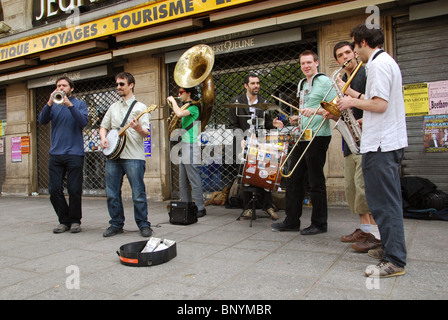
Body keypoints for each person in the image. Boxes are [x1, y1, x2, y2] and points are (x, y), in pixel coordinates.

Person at [337, 24, 408, 277]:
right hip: (383, 141)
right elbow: (383, 106)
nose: (354, 54)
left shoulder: (377, 65)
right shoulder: (385, 62)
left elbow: (379, 104)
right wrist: (363, 118)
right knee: (383, 204)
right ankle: (390, 248)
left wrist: (351, 101)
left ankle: (395, 261)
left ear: (363, 43)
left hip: (381, 145)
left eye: (354, 47)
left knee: (385, 205)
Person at [271, 50, 336, 235]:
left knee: (315, 181)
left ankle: (319, 223)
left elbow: (335, 108)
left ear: (316, 63)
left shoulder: (323, 81)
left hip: (318, 135)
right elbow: (304, 110)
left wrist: (314, 111)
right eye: (302, 63)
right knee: (293, 179)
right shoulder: (301, 83)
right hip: (303, 134)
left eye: (309, 62)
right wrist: (297, 118)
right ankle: (292, 220)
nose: (306, 66)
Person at [330, 41, 381, 252]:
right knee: (352, 189)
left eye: (348, 53)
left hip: (368, 139)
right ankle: (365, 229)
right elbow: (340, 111)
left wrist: (349, 93)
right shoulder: (343, 78)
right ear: (337, 60)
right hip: (350, 141)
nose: (345, 57)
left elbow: (378, 102)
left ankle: (376, 235)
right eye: (340, 55)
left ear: (356, 53)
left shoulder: (367, 73)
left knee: (365, 190)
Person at [99, 72, 152, 237]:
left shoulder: (141, 108)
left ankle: (143, 224)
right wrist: (103, 139)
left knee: (138, 194)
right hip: (113, 157)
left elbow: (146, 134)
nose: (118, 87)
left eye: (122, 84)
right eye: (117, 84)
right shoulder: (113, 107)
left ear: (131, 85)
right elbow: (103, 126)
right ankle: (116, 224)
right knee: (112, 193)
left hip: (134, 157)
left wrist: (137, 128)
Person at [38, 76, 89, 234]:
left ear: (71, 88)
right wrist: (49, 103)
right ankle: (63, 220)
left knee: (74, 190)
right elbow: (42, 120)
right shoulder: (53, 104)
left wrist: (70, 105)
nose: (61, 88)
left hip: (74, 153)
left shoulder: (79, 104)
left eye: (64, 85)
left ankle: (74, 221)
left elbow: (83, 122)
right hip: (56, 154)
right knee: (53, 190)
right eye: (58, 85)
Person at [228, 73, 278, 220]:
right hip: (244, 144)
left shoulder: (264, 102)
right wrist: (241, 139)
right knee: (246, 175)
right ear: (246, 85)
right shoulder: (236, 102)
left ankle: (268, 206)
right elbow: (233, 125)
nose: (256, 86)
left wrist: (273, 124)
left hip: (261, 143)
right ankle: (248, 208)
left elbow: (268, 123)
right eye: (253, 83)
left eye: (257, 83)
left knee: (265, 174)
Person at [167, 86, 206, 217]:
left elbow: (178, 114)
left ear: (189, 93)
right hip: (184, 144)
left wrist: (173, 101)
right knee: (182, 180)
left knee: (193, 178)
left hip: (191, 145)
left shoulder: (193, 108)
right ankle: (186, 206)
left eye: (181, 92)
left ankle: (201, 207)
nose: (179, 94)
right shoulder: (186, 107)